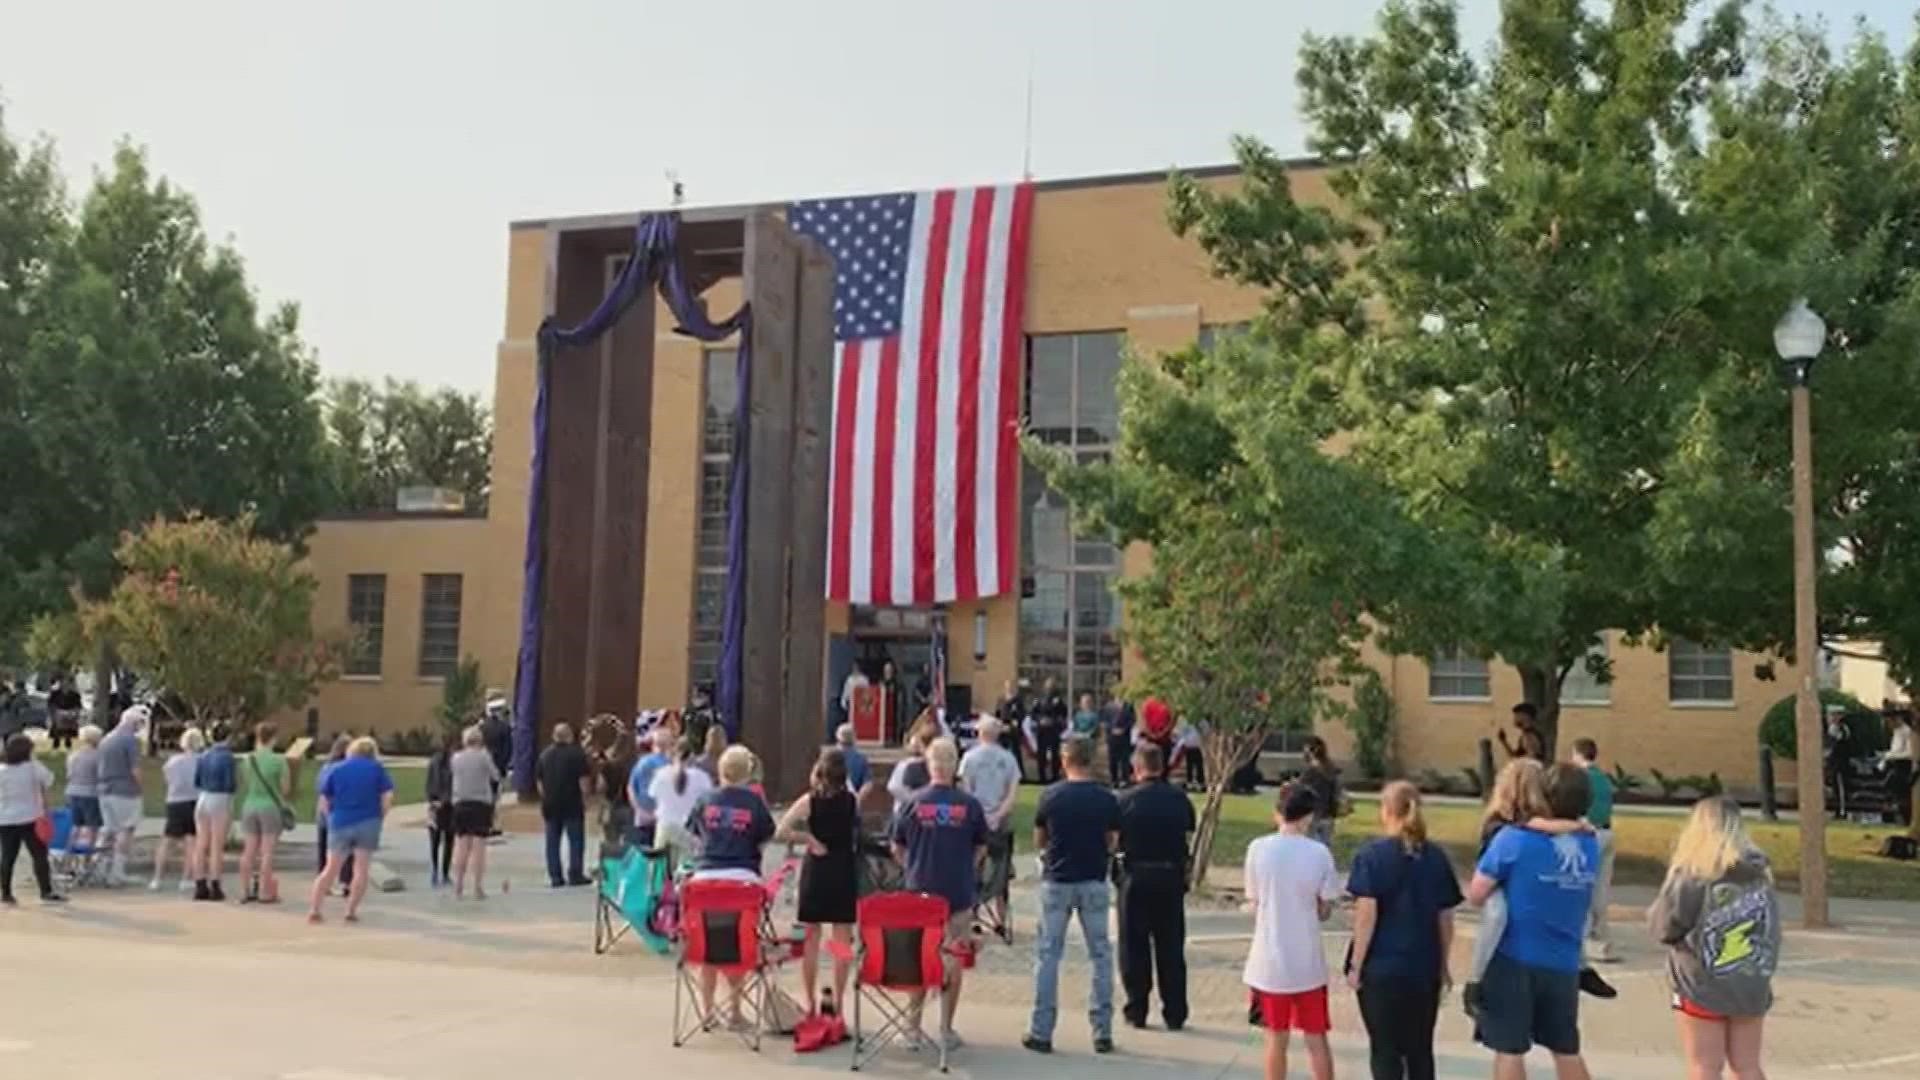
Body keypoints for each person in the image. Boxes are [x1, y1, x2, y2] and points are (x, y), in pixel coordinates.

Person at [1467, 763, 1600, 1080]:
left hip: (1515, 956)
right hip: (1565, 962)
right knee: (1566, 1048)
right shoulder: (1589, 843)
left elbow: (1477, 893)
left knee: (1510, 1048)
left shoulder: (1513, 840)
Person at [1648, 796, 1781, 1080]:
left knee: (1704, 1066)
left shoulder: (1693, 875)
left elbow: (1664, 927)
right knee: (1747, 1066)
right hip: (1750, 978)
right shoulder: (1759, 874)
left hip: (1701, 982)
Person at [1346, 781, 1461, 1080]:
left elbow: (1366, 915)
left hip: (1382, 968)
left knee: (1385, 1051)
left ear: (1386, 811)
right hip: (1423, 967)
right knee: (1420, 1049)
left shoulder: (1371, 856)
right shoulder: (1436, 858)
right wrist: (1444, 964)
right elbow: (1445, 919)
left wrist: (1356, 963)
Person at [1024, 735, 1121, 1055]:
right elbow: (1112, 839)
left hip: (1058, 878)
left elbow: (1040, 838)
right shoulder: (1106, 799)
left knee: (1049, 955)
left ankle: (1041, 1030)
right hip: (1093, 878)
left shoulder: (1051, 796)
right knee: (1101, 956)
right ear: (1090, 761)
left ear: (1065, 760)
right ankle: (1102, 1030)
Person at [892, 737, 988, 1051]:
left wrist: (912, 866)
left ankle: (912, 1027)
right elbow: (981, 846)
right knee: (952, 958)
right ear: (955, 765)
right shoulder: (970, 805)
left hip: (920, 888)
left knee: (918, 957)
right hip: (957, 890)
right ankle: (946, 1028)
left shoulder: (912, 803)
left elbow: (897, 846)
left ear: (929, 765)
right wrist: (967, 867)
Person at [1244, 785, 1341, 1080]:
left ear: (1278, 812)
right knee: (1316, 1036)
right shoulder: (1319, 853)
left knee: (1275, 1037)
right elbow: (1325, 908)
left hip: (1269, 961)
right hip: (1307, 962)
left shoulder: (1258, 848)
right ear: (1308, 816)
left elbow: (1255, 898)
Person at [687, 745, 777, 1030]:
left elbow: (694, 836)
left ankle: (707, 1012)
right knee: (739, 943)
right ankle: (736, 1012)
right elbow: (764, 838)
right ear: (748, 773)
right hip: (742, 881)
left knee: (707, 945)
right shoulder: (754, 803)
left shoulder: (705, 799)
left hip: (704, 881)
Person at [1116, 743, 1196, 1032]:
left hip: (1136, 875)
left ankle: (1137, 1008)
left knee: (1133, 946)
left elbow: (1114, 840)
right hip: (1170, 876)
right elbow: (1188, 834)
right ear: (1162, 767)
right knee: (1171, 946)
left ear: (1137, 769)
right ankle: (1175, 1010)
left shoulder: (1124, 800)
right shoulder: (1179, 799)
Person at [777, 747, 861, 1017]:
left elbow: (782, 830)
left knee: (811, 939)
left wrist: (809, 840)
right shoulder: (852, 800)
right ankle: (837, 1002)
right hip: (843, 869)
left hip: (817, 869)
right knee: (841, 942)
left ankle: (810, 1002)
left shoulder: (810, 801)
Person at [309, 736, 393, 924]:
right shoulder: (377, 770)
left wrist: (330, 817)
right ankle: (350, 910)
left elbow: (324, 800)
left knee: (330, 868)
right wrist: (380, 817)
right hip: (369, 821)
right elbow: (387, 797)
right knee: (361, 869)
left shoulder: (337, 769)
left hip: (340, 820)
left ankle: (315, 909)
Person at [960, 715, 1022, 933]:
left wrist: (980, 817)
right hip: (1001, 821)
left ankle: (974, 915)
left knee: (974, 868)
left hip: (976, 822)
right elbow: (1012, 793)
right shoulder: (1009, 759)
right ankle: (1001, 918)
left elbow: (966, 790)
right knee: (1002, 871)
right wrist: (998, 815)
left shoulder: (969, 758)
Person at [0, 733, 64, 905]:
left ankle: (6, 892)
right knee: (39, 855)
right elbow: (49, 780)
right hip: (30, 816)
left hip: (5, 818)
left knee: (8, 856)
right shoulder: (33, 767)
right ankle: (46, 890)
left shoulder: (2, 770)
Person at [1570, 738, 1618, 963]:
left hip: (1590, 833)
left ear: (1578, 754)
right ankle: (1602, 931)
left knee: (1585, 883)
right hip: (1608, 832)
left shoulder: (1581, 778)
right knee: (1602, 885)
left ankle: (1587, 935)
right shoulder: (1604, 778)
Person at [237, 722, 293, 904]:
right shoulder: (279, 760)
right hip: (270, 806)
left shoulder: (247, 759)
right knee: (267, 852)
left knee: (249, 851)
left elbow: (245, 783)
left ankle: (245, 890)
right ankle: (264, 891)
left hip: (250, 804)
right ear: (273, 738)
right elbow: (285, 789)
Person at [96, 705, 148, 886]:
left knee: (108, 829)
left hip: (104, 789)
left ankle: (100, 868)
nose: (140, 728)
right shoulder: (130, 741)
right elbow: (135, 769)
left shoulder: (106, 739)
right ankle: (117, 872)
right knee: (126, 830)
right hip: (125, 790)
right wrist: (142, 787)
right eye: (139, 724)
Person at [536, 722, 593, 888]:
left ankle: (555, 876)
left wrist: (545, 796)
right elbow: (583, 781)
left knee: (552, 841)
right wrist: (586, 799)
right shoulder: (577, 755)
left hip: (550, 803)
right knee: (575, 840)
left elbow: (539, 781)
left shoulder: (544, 755)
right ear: (569, 736)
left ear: (554, 736)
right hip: (572, 803)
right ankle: (575, 874)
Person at [450, 725, 502, 899]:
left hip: (460, 802)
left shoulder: (456, 758)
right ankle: (477, 887)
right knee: (479, 847)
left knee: (461, 845)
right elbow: (495, 776)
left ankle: (458, 885)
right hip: (480, 803)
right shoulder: (484, 756)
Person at [151, 727, 204, 894]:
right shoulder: (201, 761)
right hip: (194, 800)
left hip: (174, 801)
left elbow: (168, 780)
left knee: (167, 841)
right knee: (191, 841)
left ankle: (157, 878)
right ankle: (186, 878)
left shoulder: (172, 762)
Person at [649, 735, 714, 860]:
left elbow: (653, 797)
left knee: (659, 874)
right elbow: (708, 804)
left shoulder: (661, 774)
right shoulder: (702, 777)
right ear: (693, 755)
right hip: (689, 832)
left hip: (665, 829)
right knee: (685, 874)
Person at [193, 726, 237, 901]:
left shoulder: (204, 755)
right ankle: (215, 884)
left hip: (203, 796)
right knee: (216, 845)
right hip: (220, 797)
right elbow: (230, 783)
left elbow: (197, 780)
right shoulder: (227, 757)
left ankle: (199, 883)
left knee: (201, 842)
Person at [317, 736, 358, 892]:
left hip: (324, 814)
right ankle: (346, 881)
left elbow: (320, 789)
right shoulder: (348, 769)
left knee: (324, 849)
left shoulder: (326, 767)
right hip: (343, 815)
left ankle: (323, 881)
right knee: (347, 850)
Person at [626, 727, 674, 849]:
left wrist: (639, 810)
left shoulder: (642, 763)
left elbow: (631, 788)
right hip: (665, 820)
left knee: (644, 856)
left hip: (643, 818)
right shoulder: (672, 765)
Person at [63, 724, 104, 853]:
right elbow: (102, 776)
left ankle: (68, 855)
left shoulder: (73, 756)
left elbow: (69, 775)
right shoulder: (99, 756)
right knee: (93, 827)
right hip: (91, 793)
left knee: (75, 826)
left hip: (72, 791)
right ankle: (88, 856)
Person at [1298, 736, 1344, 848]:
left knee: (1310, 847)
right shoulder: (1331, 769)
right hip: (1329, 815)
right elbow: (1337, 791)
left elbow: (1301, 791)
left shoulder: (1310, 772)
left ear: (1309, 751)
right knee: (1325, 847)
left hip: (1313, 815)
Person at [422, 733, 452, 886]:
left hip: (434, 805)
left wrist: (432, 801)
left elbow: (428, 785)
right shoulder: (451, 763)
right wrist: (445, 801)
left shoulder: (433, 762)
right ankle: (445, 873)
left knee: (434, 841)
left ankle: (435, 870)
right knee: (448, 840)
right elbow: (452, 786)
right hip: (448, 807)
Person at [1880, 709, 1915, 827]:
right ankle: (1894, 817)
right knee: (1891, 792)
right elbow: (1895, 749)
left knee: (1903, 796)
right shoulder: (1897, 732)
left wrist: (1891, 755)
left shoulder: (1907, 732)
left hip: (1905, 766)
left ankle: (1906, 819)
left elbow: (1910, 753)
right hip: (1895, 765)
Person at [887, 729, 935, 815]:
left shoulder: (907, 764)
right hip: (911, 810)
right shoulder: (906, 764)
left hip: (914, 811)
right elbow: (893, 787)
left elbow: (893, 787)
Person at [1030, 678, 1068, 784]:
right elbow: (1033, 714)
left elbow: (1063, 715)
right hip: (1041, 730)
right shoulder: (1038, 699)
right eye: (1048, 685)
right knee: (1041, 754)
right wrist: (1040, 720)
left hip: (1053, 731)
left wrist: (1053, 721)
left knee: (1055, 754)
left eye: (1052, 685)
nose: (1050, 687)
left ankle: (1055, 777)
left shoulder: (1059, 700)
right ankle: (1042, 778)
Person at [1101, 690, 1137, 787]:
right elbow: (1104, 721)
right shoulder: (1108, 707)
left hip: (1124, 737)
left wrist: (1124, 729)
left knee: (1124, 759)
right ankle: (1114, 780)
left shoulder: (1128, 707)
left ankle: (1125, 779)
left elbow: (1132, 720)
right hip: (1112, 737)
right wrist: (1111, 729)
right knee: (1112, 759)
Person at [995, 679, 1028, 780]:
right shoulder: (1001, 699)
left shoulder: (1018, 701)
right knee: (1001, 753)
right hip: (1003, 730)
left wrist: (1013, 725)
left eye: (1010, 686)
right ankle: (1001, 775)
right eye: (1007, 686)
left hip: (1014, 730)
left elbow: (1022, 715)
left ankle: (1020, 776)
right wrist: (1000, 725)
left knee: (1015, 753)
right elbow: (997, 714)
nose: (1008, 688)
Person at [834, 723, 874, 802]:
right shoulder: (861, 759)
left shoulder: (828, 757)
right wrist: (858, 799)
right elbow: (868, 783)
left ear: (837, 737)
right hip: (851, 802)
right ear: (854, 737)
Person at [1176, 717, 1206, 790]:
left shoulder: (1201, 721)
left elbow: (1206, 731)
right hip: (1189, 748)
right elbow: (1181, 734)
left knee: (1199, 766)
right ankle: (1190, 784)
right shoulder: (1185, 722)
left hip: (1198, 748)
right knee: (1189, 766)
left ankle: (1200, 784)